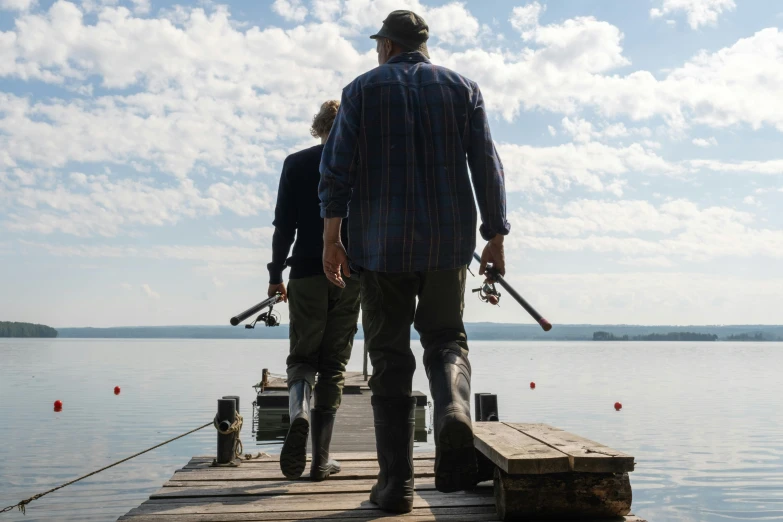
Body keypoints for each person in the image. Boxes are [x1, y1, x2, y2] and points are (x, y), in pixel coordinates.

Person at [318, 10, 510, 514]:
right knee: (446, 338)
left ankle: (396, 485)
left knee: (387, 355)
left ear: (386, 46)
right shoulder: (463, 88)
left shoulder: (361, 90)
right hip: (448, 243)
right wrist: (495, 235)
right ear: (422, 46)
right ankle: (452, 410)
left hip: (381, 245)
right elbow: (486, 164)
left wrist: (332, 239)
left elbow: (335, 168)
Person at [267, 100, 361, 482]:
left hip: (305, 273)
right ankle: (321, 461)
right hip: (351, 273)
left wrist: (276, 275)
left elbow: (282, 226)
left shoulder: (296, 163)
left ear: (318, 127)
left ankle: (298, 412)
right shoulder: (360, 164)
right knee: (334, 366)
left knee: (302, 358)